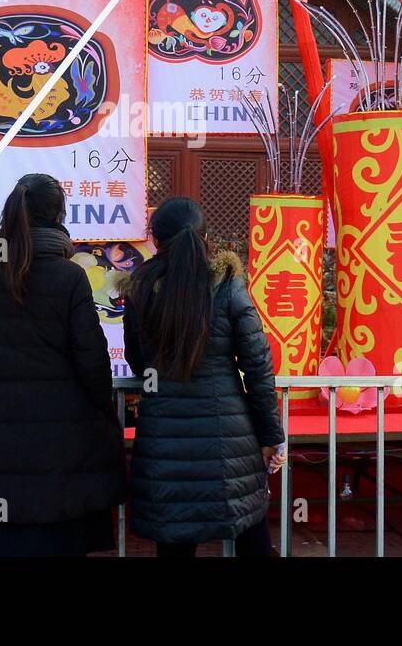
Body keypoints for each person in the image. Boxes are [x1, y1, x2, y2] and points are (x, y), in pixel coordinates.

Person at [0, 173, 126, 556]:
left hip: (0, 441)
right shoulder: (69, 276)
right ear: (59, 215)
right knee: (60, 540)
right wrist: (103, 408)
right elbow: (92, 359)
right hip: (64, 447)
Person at [121, 196, 285, 557]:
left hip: (164, 440)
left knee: (175, 543)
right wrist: (273, 436)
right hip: (229, 438)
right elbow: (258, 366)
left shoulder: (139, 289)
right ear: (206, 236)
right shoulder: (228, 285)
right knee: (251, 538)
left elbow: (137, 362)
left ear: (155, 240)